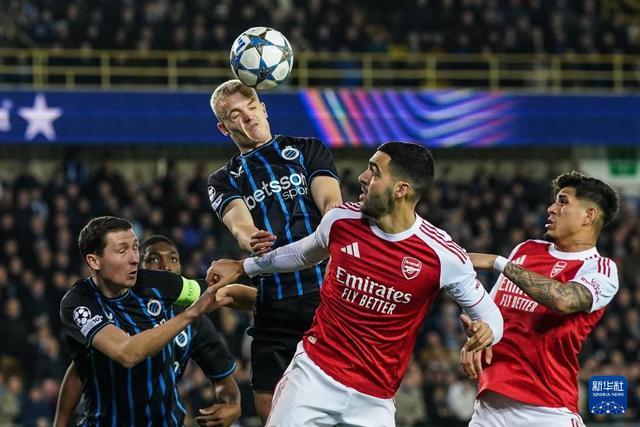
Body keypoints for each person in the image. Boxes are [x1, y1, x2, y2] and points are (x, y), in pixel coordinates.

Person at [208, 142, 503, 426]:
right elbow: (301, 254)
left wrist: (486, 333)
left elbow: (492, 318)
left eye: (374, 171)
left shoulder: (442, 255)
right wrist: (243, 266)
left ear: (401, 189)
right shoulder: (341, 220)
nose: (362, 177)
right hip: (313, 376)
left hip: (375, 398)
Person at [206, 79, 342, 422]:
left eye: (252, 106)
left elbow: (329, 197)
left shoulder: (307, 149)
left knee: (339, 397)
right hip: (273, 304)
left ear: (264, 109)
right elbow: (238, 221)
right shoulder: (224, 178)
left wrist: (332, 214)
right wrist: (249, 237)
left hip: (326, 295)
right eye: (235, 115)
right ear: (223, 128)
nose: (248, 116)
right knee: (269, 408)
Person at [462, 171, 620, 426]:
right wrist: (477, 335)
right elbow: (491, 313)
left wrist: (498, 262)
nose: (551, 208)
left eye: (563, 202)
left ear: (589, 216)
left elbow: (564, 300)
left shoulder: (600, 269)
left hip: (547, 411)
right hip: (489, 408)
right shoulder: (526, 250)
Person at [54, 234, 241, 427]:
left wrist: (233, 404)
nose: (165, 266)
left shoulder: (196, 323)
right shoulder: (112, 310)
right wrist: (60, 422)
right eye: (153, 259)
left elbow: (222, 377)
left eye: (173, 259)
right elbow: (79, 369)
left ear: (180, 268)